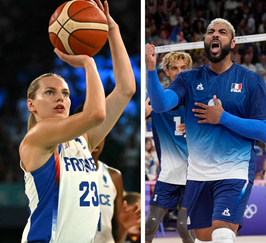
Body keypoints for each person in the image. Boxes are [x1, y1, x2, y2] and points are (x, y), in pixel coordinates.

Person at [146, 18, 266, 243]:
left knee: (223, 234)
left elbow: (265, 132)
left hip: (234, 171)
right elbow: (160, 105)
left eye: (222, 32)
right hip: (197, 175)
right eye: (210, 31)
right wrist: (150, 71)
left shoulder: (251, 80)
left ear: (232, 43)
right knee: (203, 239)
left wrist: (223, 117)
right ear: (205, 41)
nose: (215, 34)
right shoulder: (188, 78)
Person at [19, 1, 136, 242]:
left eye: (65, 93)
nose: (60, 98)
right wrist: (88, 62)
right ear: (31, 105)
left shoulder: (82, 140)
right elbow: (96, 114)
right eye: (50, 92)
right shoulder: (37, 137)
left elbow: (126, 89)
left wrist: (112, 31)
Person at [144, 51, 195, 243]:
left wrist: (195, 126)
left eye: (183, 68)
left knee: (184, 227)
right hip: (169, 175)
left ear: (189, 70)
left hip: (195, 174)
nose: (179, 72)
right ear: (166, 72)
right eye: (174, 68)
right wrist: (143, 113)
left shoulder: (199, 99)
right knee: (149, 227)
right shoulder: (157, 100)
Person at [74, 105, 141, 243]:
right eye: (88, 130)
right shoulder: (62, 171)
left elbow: (117, 237)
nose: (96, 136)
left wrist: (124, 226)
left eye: (100, 130)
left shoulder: (114, 176)